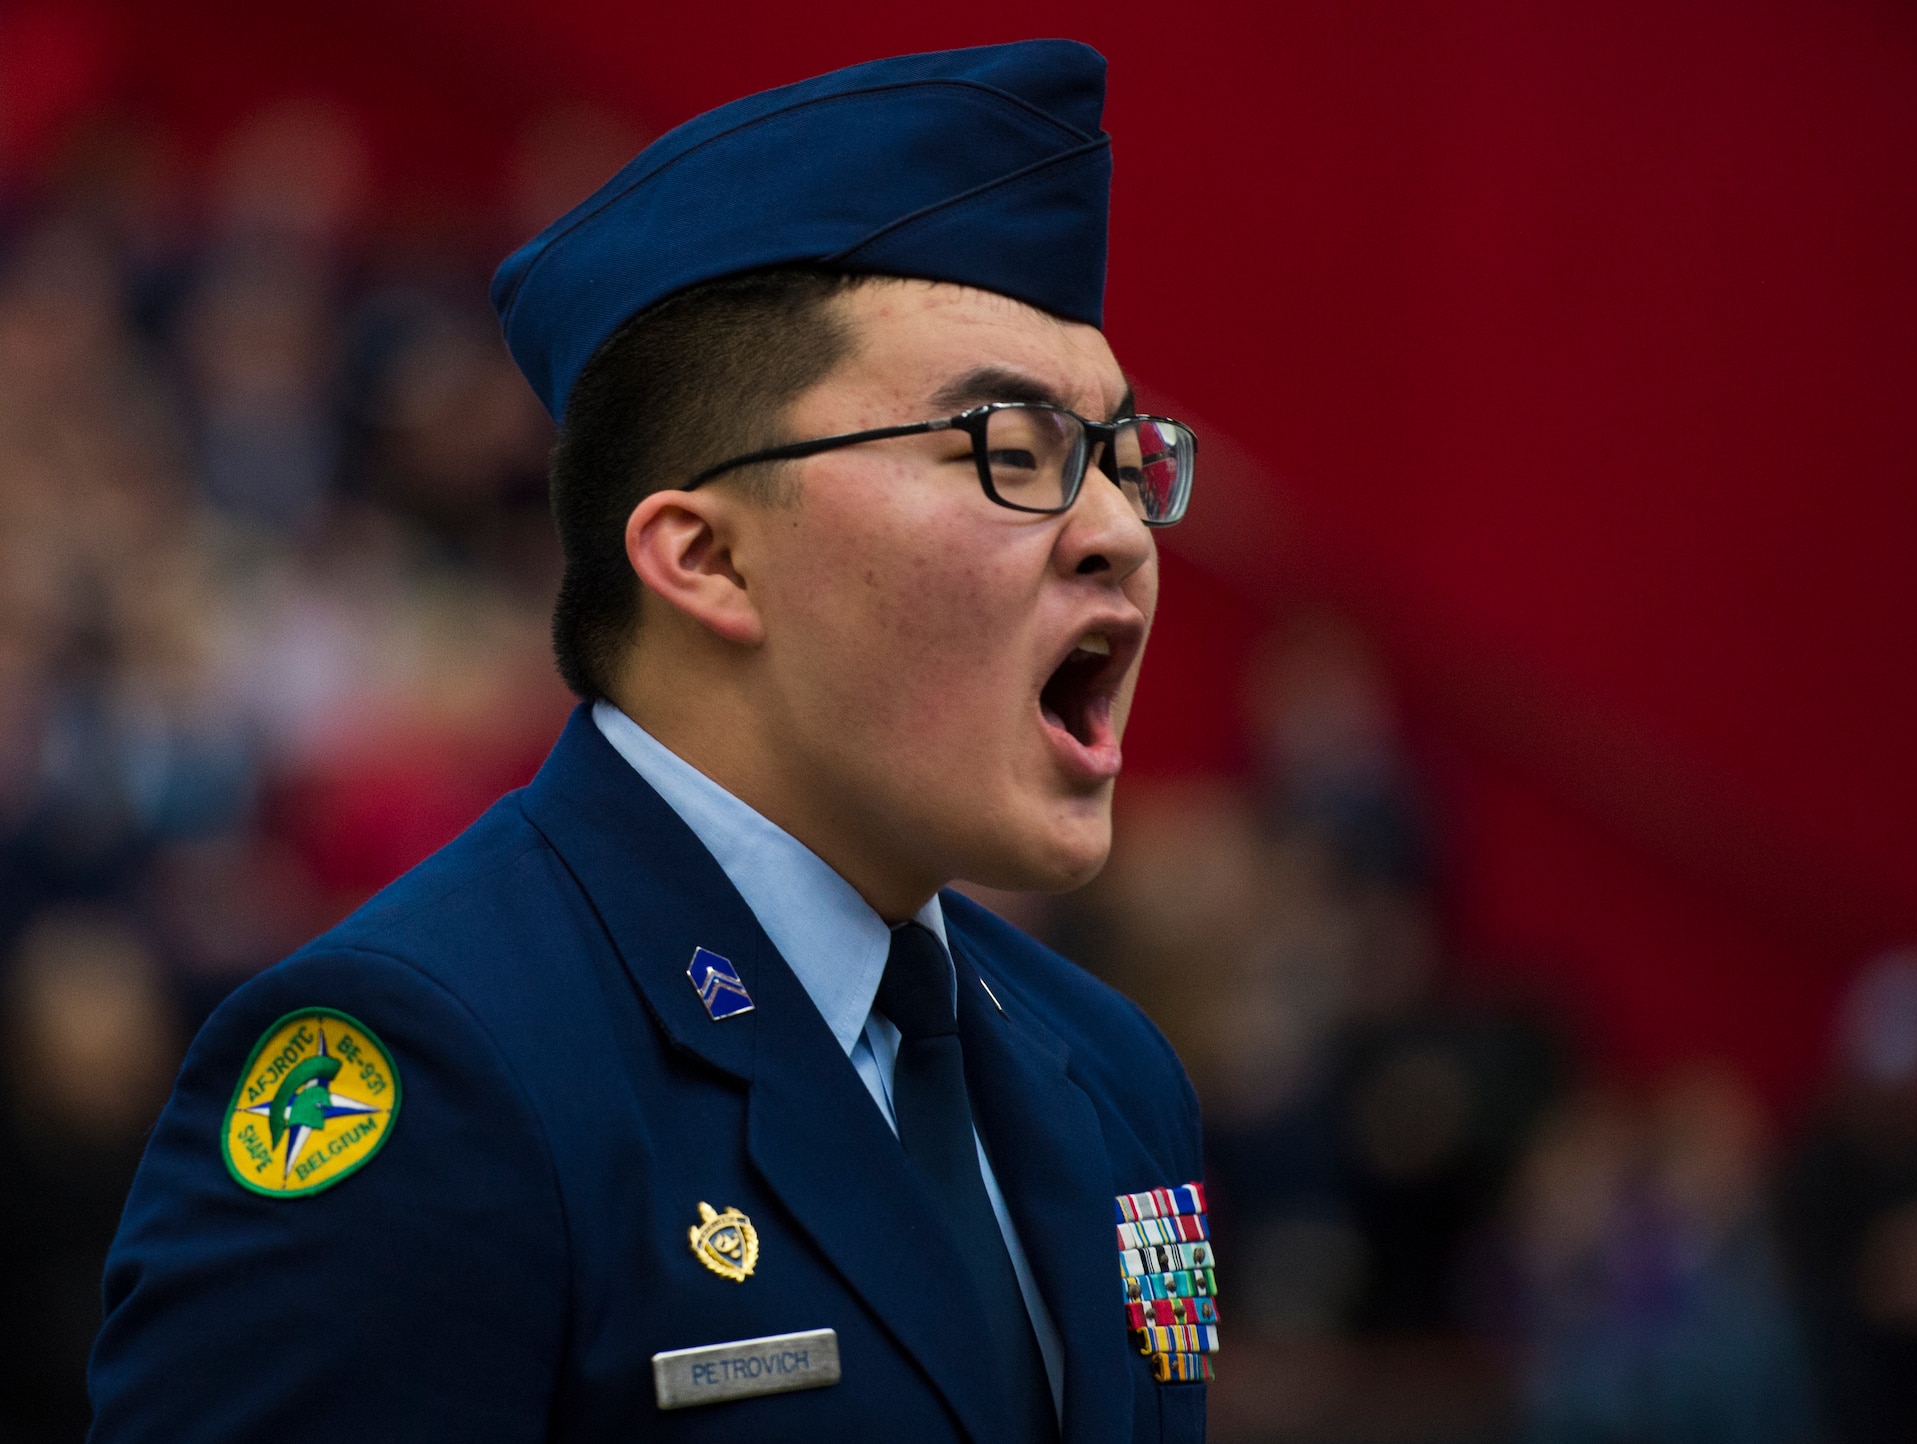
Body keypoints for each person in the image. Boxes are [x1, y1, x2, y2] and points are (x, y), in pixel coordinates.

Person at [88, 41, 1214, 1444]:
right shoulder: (430, 1073)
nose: (1117, 529)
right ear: (707, 560)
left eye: (1123, 456)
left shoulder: (1107, 1072)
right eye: (1014, 445)